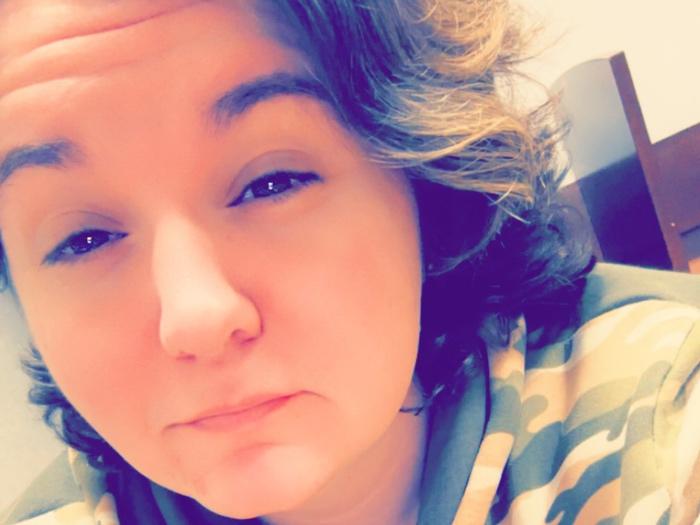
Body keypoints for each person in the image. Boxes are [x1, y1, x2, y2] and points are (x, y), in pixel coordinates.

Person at [0, 1, 698, 524]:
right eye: (83, 239)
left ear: (422, 179)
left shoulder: (659, 431)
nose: (197, 317)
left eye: (272, 182)